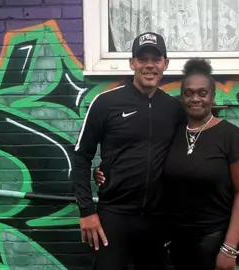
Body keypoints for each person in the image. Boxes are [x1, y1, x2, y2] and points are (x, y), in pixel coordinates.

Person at [94, 59, 239, 270]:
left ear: (213, 97)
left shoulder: (231, 136)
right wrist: (108, 170)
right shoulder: (174, 133)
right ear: (182, 97)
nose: (195, 98)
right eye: (188, 93)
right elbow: (147, 161)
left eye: (202, 93)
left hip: (214, 240)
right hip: (177, 242)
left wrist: (229, 248)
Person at [71, 31, 184, 270]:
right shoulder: (105, 103)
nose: (149, 65)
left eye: (156, 59)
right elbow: (81, 157)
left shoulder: (174, 109)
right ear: (132, 63)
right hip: (114, 217)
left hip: (157, 220)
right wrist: (86, 211)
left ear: (165, 64)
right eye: (143, 59)